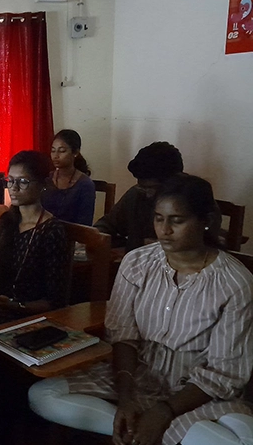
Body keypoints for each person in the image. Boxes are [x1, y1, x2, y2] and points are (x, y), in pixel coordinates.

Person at [29, 174, 253, 445]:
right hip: (137, 373)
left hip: (196, 387)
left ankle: (150, 429)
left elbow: (224, 371)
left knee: (242, 436)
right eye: (159, 218)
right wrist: (127, 399)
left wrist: (164, 411)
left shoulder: (234, 282)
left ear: (205, 221)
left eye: (177, 220)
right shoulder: (137, 262)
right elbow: (123, 335)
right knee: (42, 395)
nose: (164, 230)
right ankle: (135, 428)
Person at [0, 150, 71, 333]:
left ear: (42, 185)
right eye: (10, 180)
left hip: (26, 314)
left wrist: (14, 305)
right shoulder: (6, 222)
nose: (13, 188)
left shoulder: (51, 230)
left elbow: (55, 301)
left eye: (23, 181)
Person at [94, 141, 184, 251]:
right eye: (142, 187)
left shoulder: (192, 202)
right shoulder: (137, 194)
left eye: (152, 188)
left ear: (175, 181)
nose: (147, 194)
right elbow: (108, 224)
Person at [41, 129, 95, 225]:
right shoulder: (47, 178)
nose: (55, 156)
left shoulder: (85, 184)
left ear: (75, 153)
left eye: (62, 151)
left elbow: (85, 224)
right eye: (53, 150)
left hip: (71, 237)